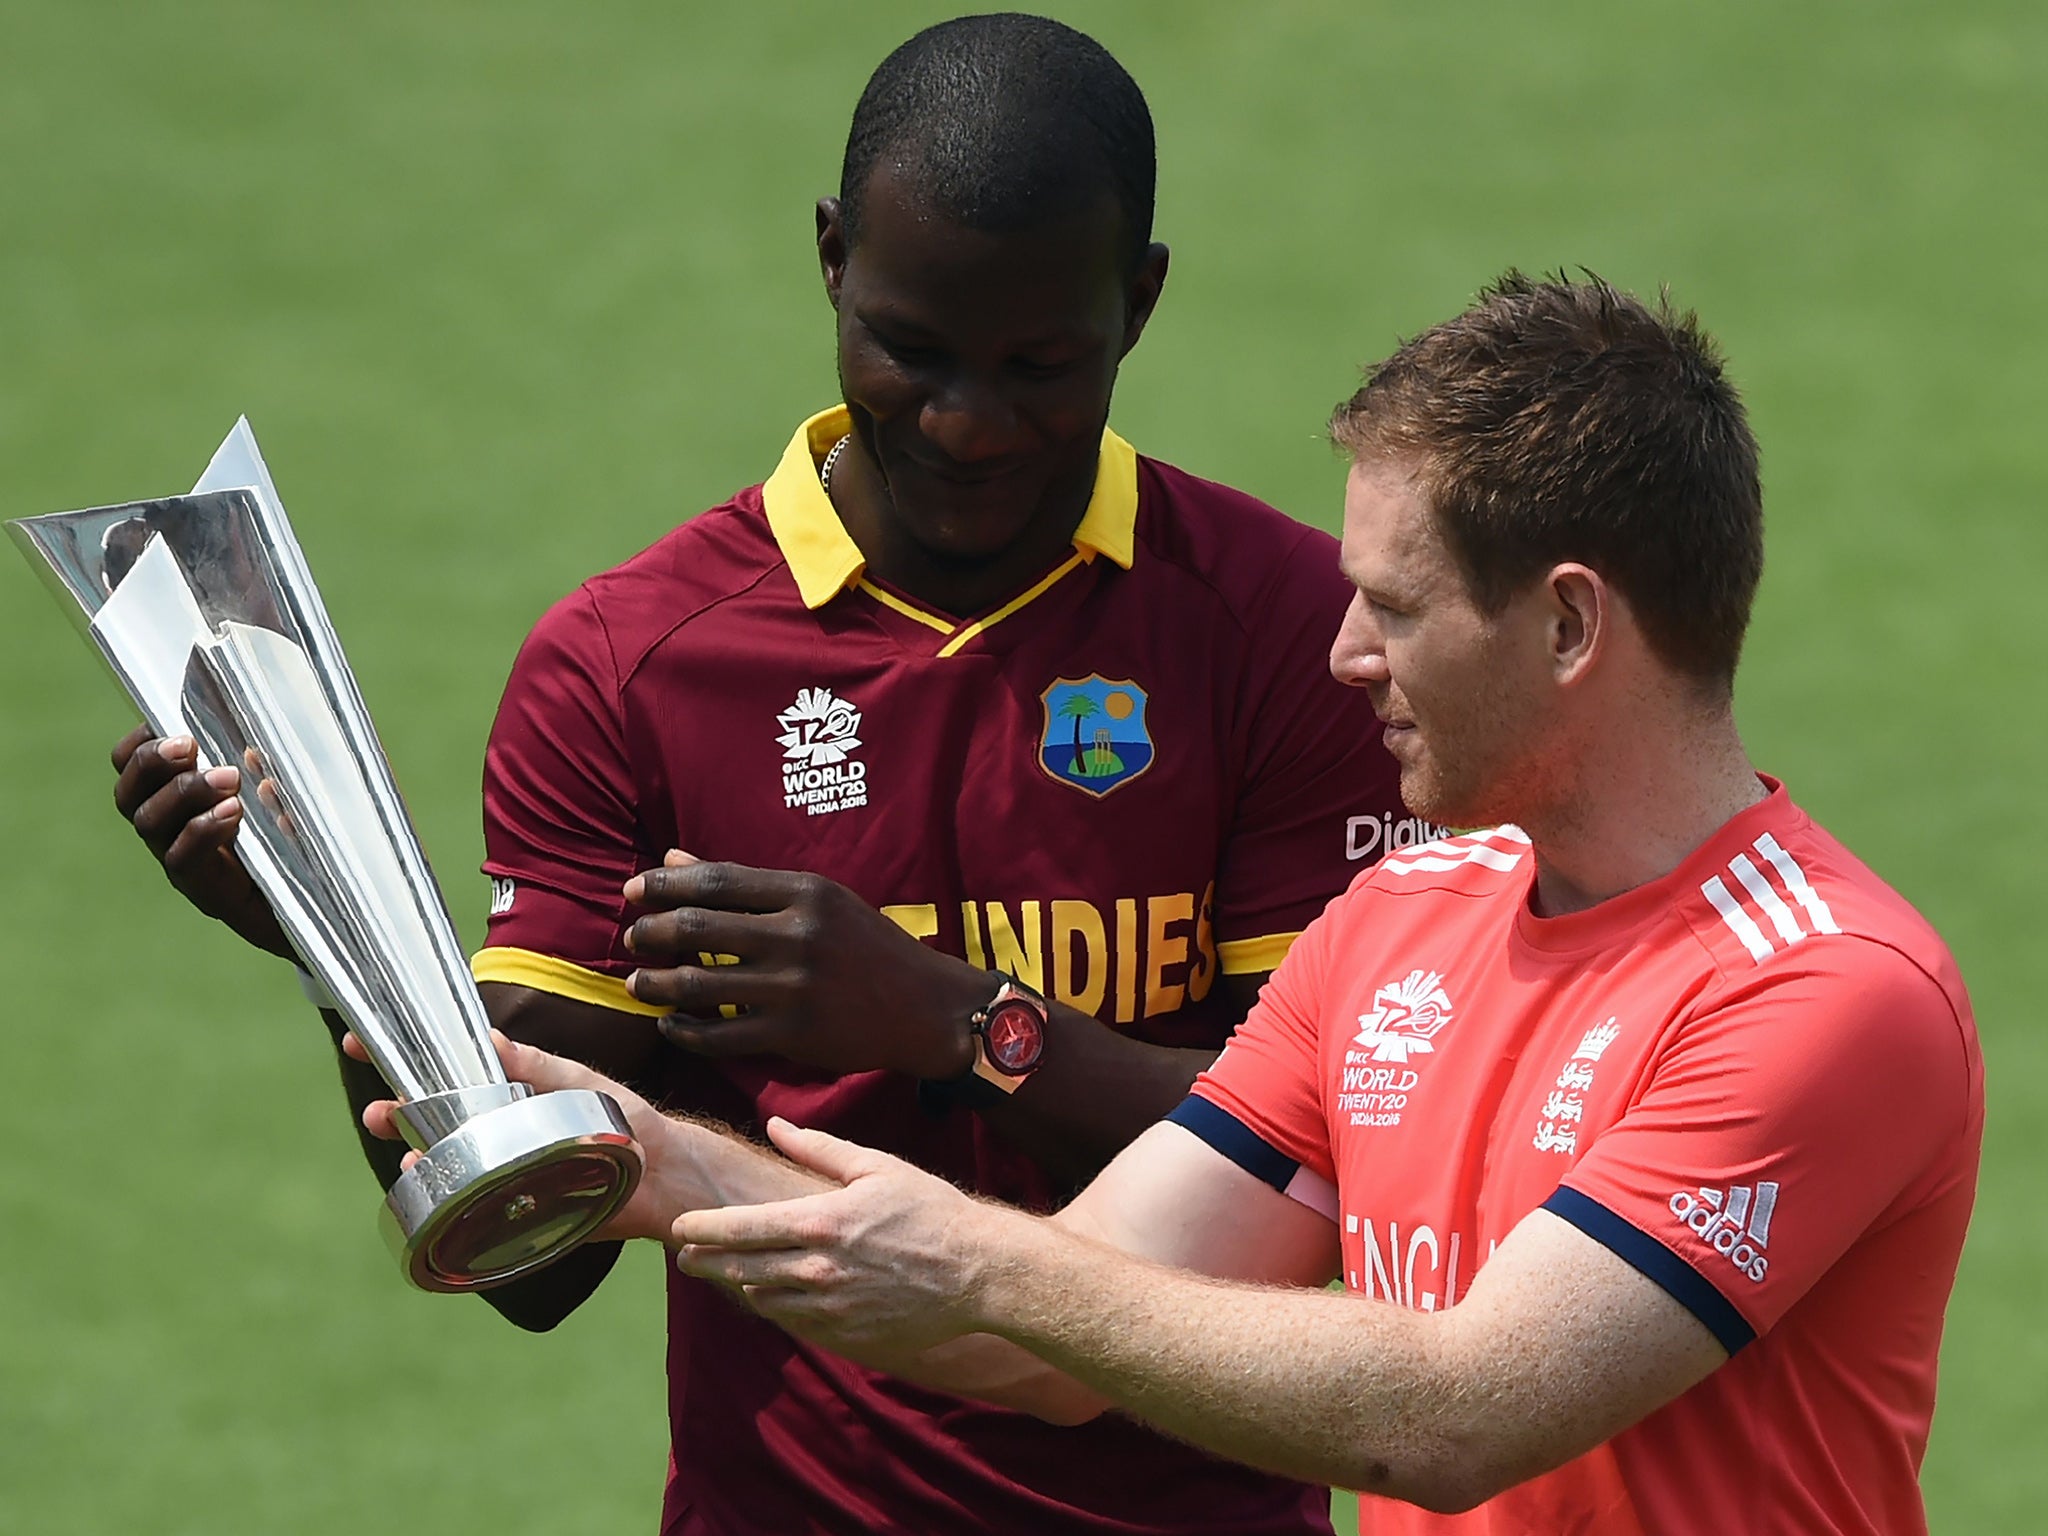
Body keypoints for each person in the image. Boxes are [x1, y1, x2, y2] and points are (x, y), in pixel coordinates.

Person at [109, 15, 1416, 1536]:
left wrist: (946, 1019)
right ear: (829, 260)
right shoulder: (627, 663)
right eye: (910, 348)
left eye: (1040, 363)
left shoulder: (1291, 635)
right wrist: (339, 942)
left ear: (1141, 300)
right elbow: (537, 1265)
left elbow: (1344, 1175)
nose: (967, 421)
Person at [454, 272, 1983, 1534]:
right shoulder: (1402, 922)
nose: (1342, 657)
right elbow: (1047, 1339)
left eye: (1394, 605)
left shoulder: (1824, 997)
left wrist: (986, 1251)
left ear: (1572, 622)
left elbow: (1452, 1416)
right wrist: (656, 1168)